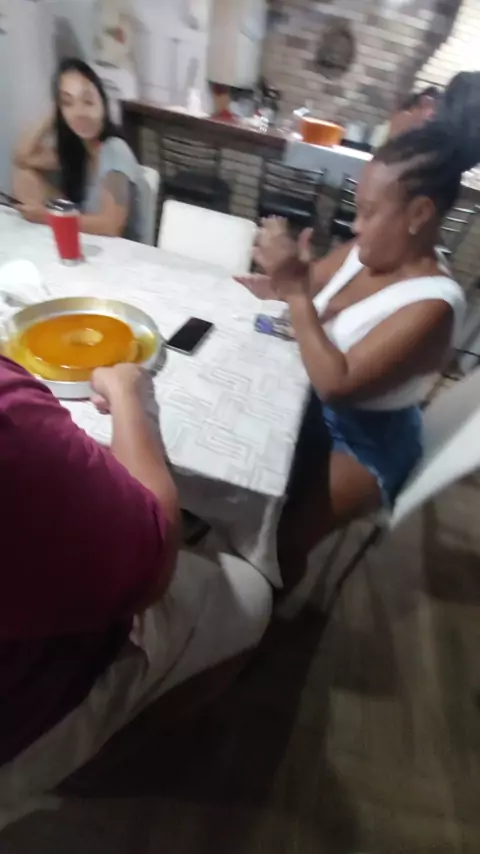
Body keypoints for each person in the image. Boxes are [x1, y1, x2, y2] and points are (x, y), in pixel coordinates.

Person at [0, 358, 271, 827]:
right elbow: (152, 558)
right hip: (23, 717)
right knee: (252, 592)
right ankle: (97, 757)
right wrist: (129, 398)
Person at [236, 75, 480, 592]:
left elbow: (336, 382)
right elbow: (306, 286)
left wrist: (296, 293)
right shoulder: (364, 251)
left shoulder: (434, 305)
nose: (356, 224)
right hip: (306, 400)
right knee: (245, 478)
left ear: (419, 213)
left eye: (369, 212)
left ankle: (265, 613)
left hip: (368, 441)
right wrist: (280, 280)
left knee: (281, 541)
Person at [13, 58, 144, 240]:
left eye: (88, 101)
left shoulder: (116, 150)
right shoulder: (77, 149)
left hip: (118, 248)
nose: (79, 112)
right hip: (85, 237)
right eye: (68, 103)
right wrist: (54, 114)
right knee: (25, 177)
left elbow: (111, 226)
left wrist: (46, 217)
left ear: (103, 104)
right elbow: (22, 158)